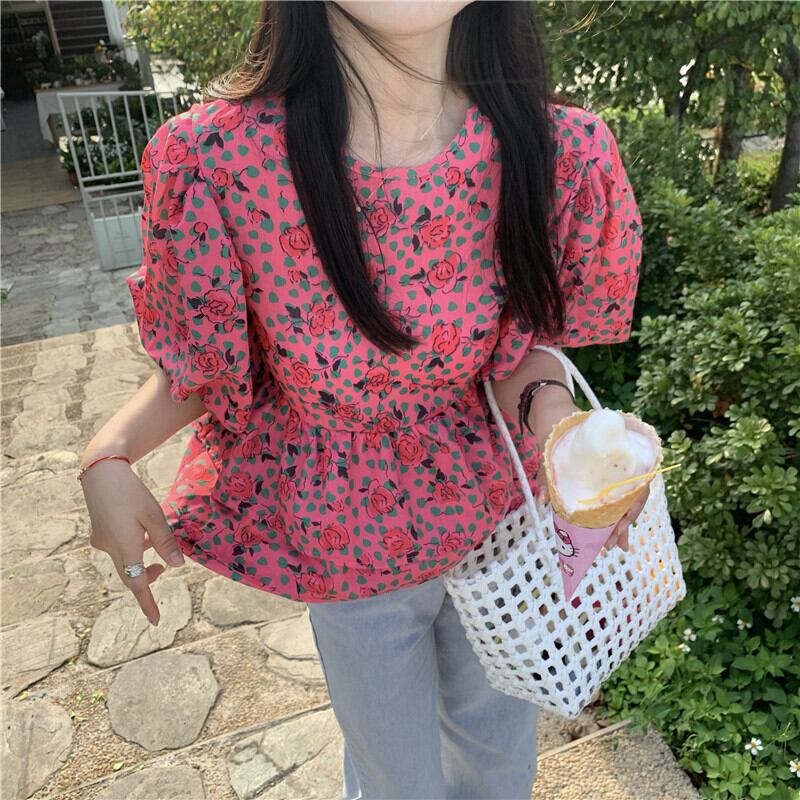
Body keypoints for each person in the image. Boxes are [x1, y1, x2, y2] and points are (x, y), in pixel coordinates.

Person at [79, 2, 644, 798]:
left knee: (499, 761)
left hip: (498, 519)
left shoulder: (552, 147)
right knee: (394, 781)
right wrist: (109, 451)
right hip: (345, 538)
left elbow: (522, 347)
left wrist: (558, 421)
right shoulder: (218, 160)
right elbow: (211, 363)